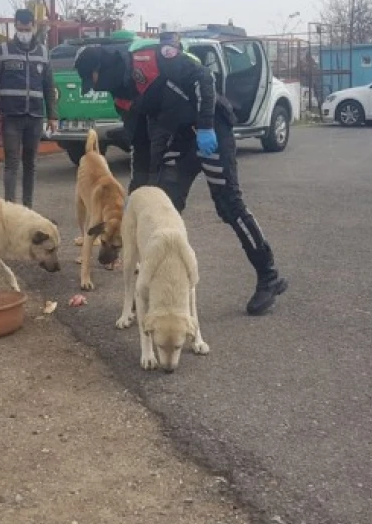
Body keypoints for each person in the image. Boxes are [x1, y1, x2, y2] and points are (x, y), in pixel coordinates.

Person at [75, 32, 289, 316]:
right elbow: (139, 145)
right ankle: (155, 289)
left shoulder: (150, 60)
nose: (97, 89)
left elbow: (202, 79)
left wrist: (205, 126)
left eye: (94, 82)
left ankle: (268, 275)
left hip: (211, 129)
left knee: (229, 205)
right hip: (179, 141)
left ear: (99, 71)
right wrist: (136, 194)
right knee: (162, 211)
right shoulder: (122, 98)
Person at [0, 8, 58, 208]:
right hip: (11, 117)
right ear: (15, 26)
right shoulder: (3, 50)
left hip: (35, 116)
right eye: (20, 28)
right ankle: (10, 210)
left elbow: (49, 86)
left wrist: (53, 116)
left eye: (27, 28)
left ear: (33, 26)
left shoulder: (43, 53)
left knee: (30, 165)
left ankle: (27, 208)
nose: (24, 32)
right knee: (11, 164)